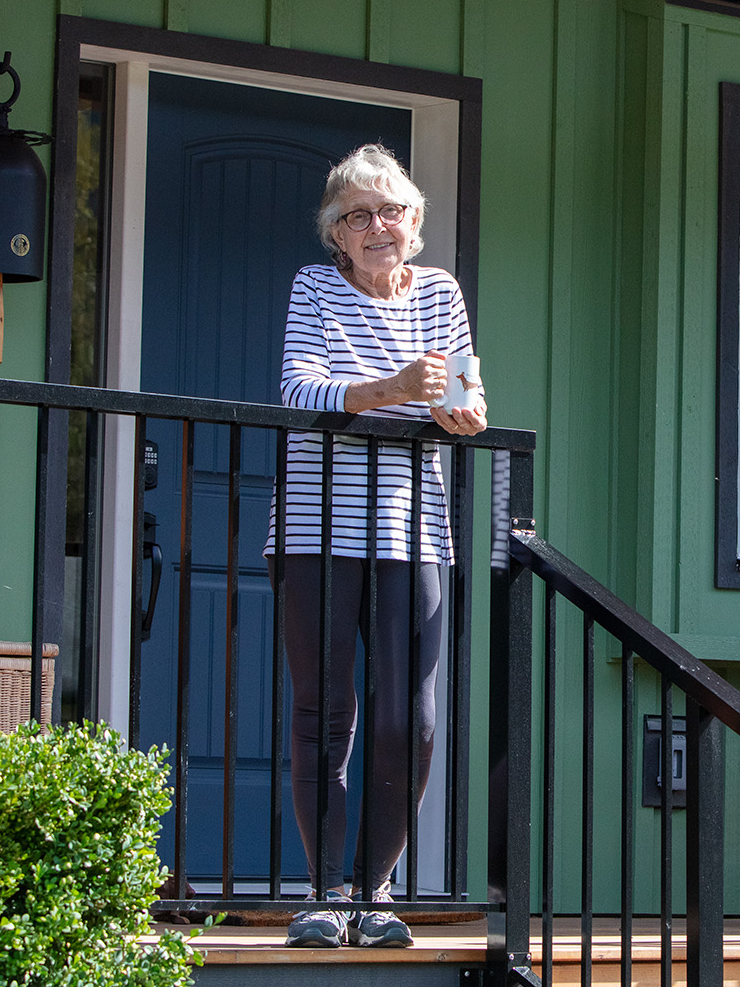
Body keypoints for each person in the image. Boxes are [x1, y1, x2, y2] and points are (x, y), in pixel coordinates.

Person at [268, 144, 487, 950]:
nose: (377, 226)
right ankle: (325, 893)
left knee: (413, 721)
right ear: (337, 233)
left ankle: (373, 889)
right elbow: (300, 389)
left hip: (413, 526)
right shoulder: (314, 287)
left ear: (414, 220)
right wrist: (393, 391)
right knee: (325, 711)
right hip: (315, 528)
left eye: (390, 210)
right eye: (358, 215)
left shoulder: (440, 294)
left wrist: (464, 411)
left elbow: (460, 398)